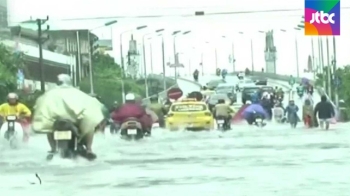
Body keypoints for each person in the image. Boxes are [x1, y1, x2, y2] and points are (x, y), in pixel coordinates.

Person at [32, 77, 105, 159]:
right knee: (90, 128)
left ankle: (53, 149)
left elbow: (39, 105)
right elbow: (89, 106)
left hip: (57, 122)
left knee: (49, 129)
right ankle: (89, 149)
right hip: (74, 121)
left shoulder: (49, 94)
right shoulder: (78, 93)